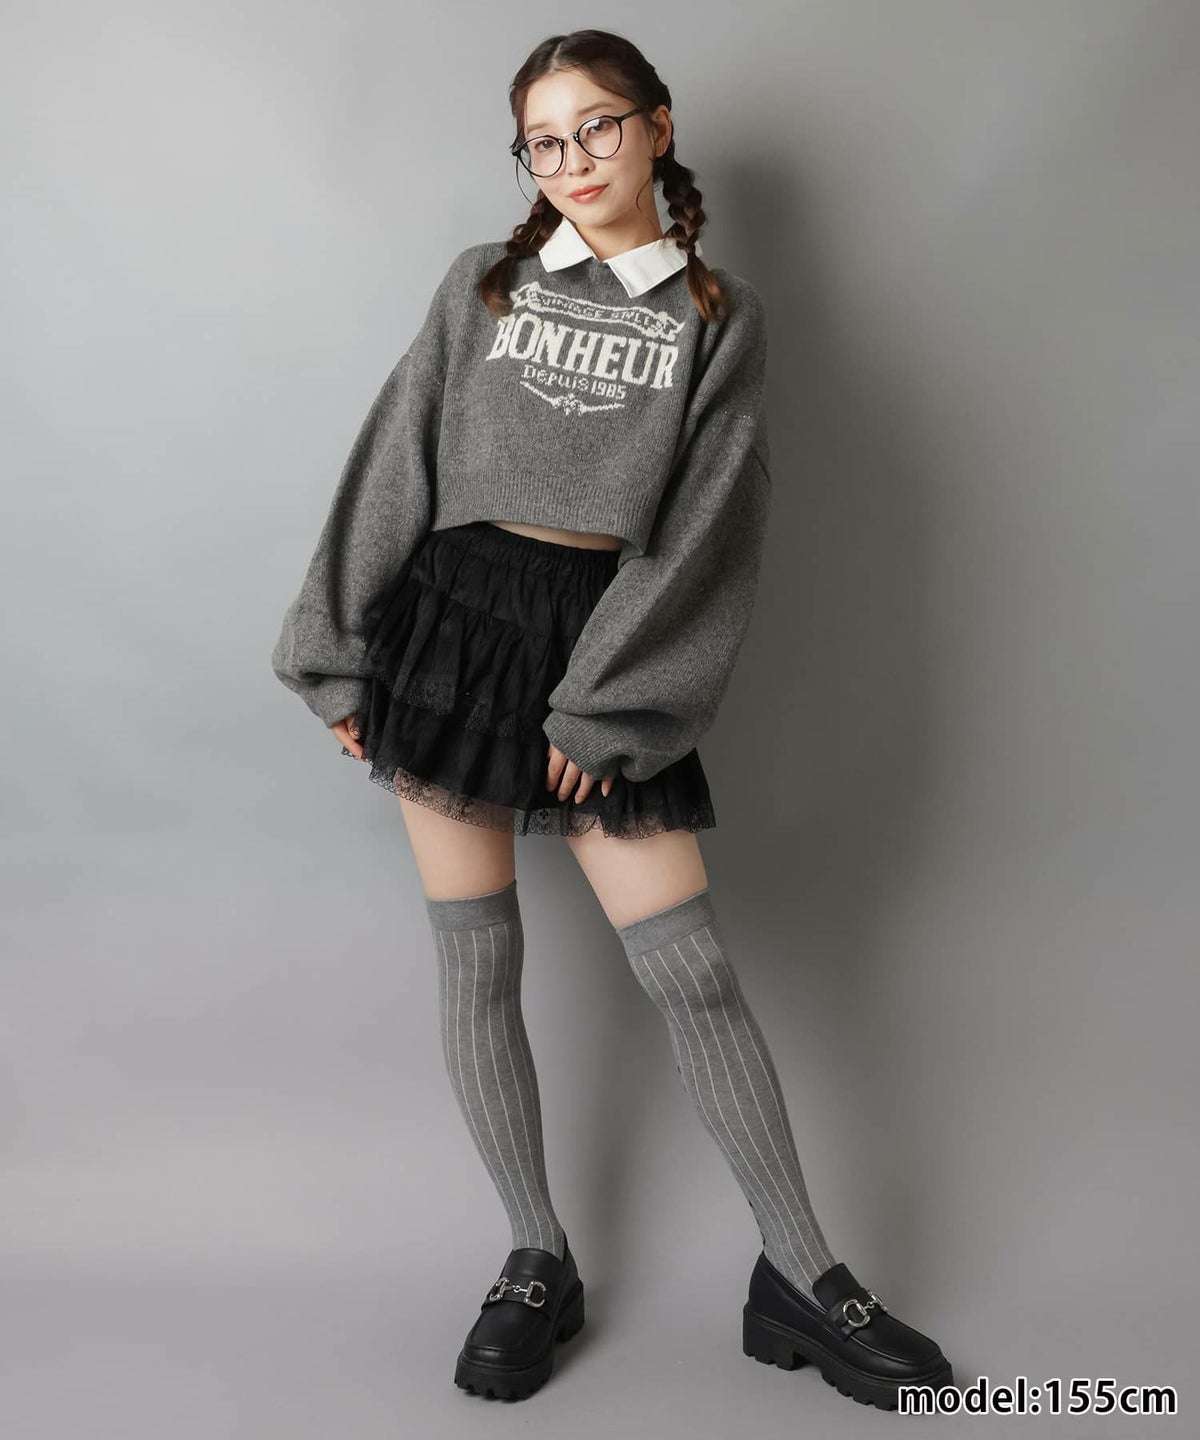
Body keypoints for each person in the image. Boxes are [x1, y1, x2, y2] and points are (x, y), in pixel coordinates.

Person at [271, 27, 952, 1409]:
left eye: (597, 127)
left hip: (608, 635)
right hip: (450, 633)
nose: (573, 159)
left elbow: (710, 528)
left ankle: (804, 1277)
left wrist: (607, 704)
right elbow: (395, 456)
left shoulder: (718, 316)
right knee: (477, 960)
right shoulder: (485, 283)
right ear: (525, 158)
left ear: (656, 127)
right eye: (544, 140)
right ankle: (536, 1256)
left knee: (691, 971)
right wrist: (334, 654)